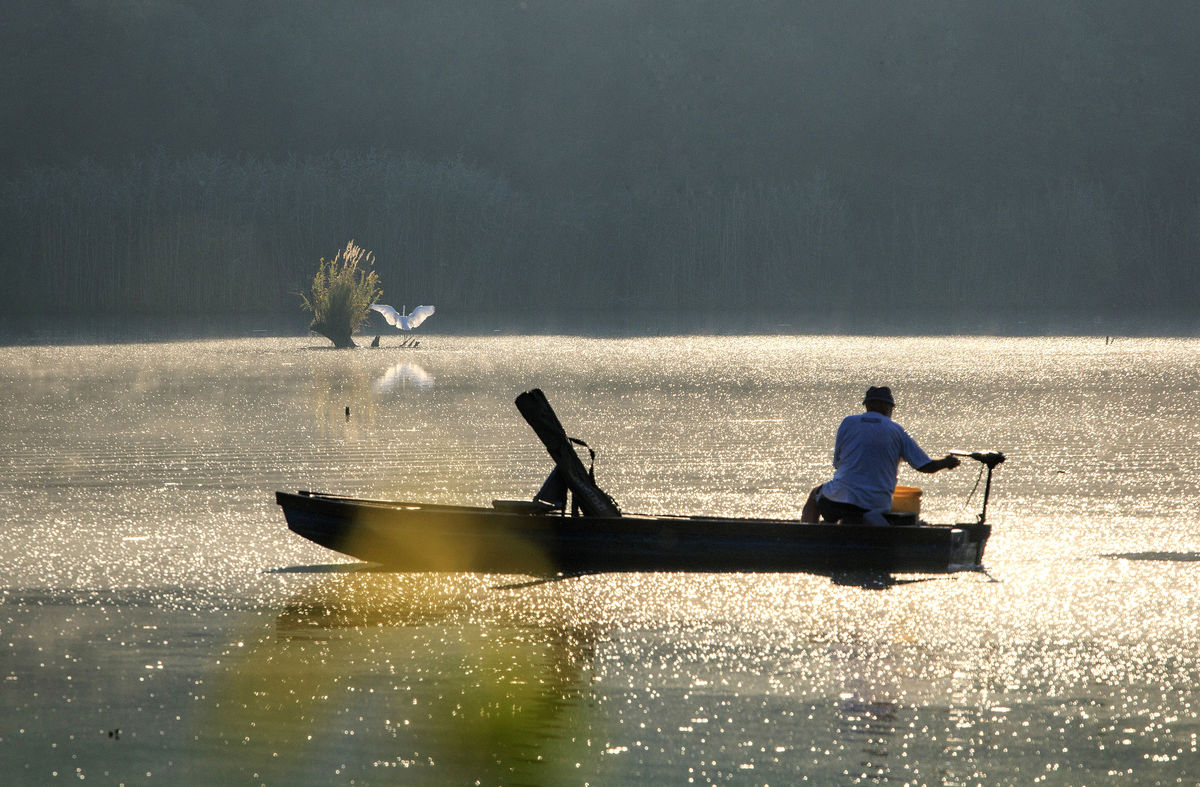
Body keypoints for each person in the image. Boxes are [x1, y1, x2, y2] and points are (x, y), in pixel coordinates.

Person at [801, 386, 960, 526]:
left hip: (841, 500)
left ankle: (806, 534)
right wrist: (946, 462)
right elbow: (925, 466)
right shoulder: (896, 430)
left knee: (815, 496)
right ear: (887, 407)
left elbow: (837, 463)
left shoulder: (848, 423)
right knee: (852, 509)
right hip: (876, 504)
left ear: (867, 405)